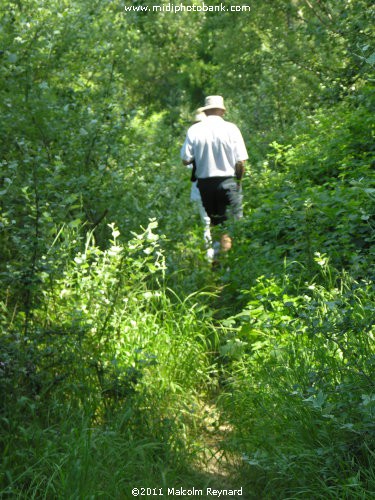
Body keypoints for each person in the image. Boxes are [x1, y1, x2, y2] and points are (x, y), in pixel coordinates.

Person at [180, 95, 248, 260]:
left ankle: (217, 263)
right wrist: (238, 182)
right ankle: (232, 263)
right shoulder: (232, 129)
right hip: (228, 181)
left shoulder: (194, 130)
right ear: (223, 111)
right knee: (233, 225)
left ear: (206, 111)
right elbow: (241, 161)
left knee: (215, 224)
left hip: (205, 185)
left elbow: (185, 159)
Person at [187, 111, 214, 261]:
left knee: (207, 222)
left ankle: (212, 257)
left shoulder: (194, 137)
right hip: (218, 185)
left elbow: (186, 161)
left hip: (200, 187)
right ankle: (218, 258)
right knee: (217, 222)